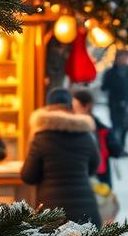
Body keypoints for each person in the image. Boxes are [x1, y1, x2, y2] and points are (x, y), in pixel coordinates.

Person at [20, 88, 102, 226]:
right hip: (86, 212)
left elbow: (28, 176)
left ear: (47, 109)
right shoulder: (85, 135)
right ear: (70, 109)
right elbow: (94, 167)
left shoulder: (40, 138)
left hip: (52, 214)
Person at [71, 87, 118, 188]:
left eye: (75, 106)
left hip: (95, 175)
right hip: (94, 175)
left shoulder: (99, 128)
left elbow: (116, 150)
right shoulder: (99, 126)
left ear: (86, 106)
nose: (73, 110)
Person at [100, 54, 128, 157]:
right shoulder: (110, 72)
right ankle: (117, 148)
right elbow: (104, 87)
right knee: (116, 126)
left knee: (126, 126)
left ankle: (122, 146)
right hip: (114, 103)